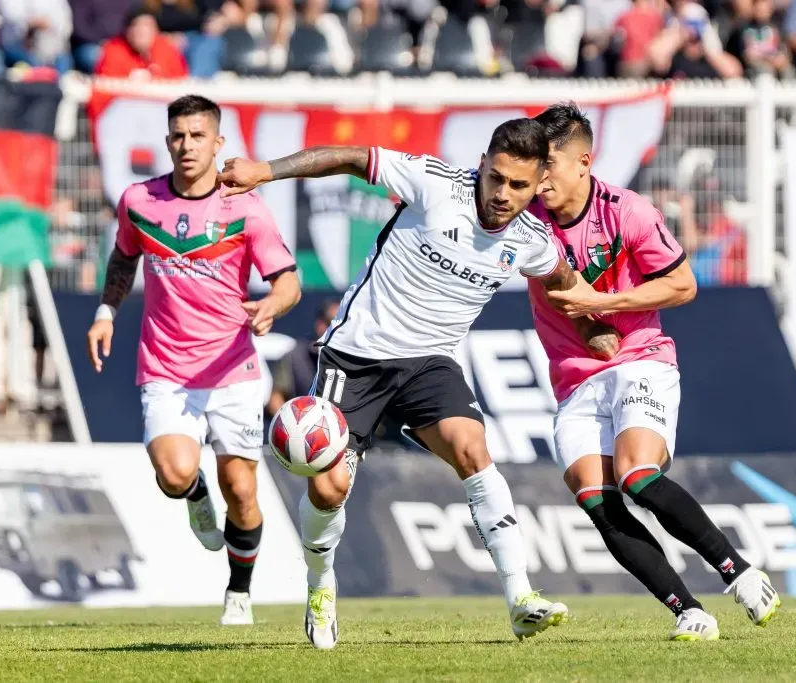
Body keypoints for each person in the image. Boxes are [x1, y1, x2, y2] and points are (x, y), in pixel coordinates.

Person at [218, 119, 589, 650]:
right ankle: (321, 586)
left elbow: (566, 281)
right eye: (497, 178)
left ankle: (520, 598)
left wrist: (602, 323)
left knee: (472, 448)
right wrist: (265, 172)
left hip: (429, 364)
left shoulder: (531, 241)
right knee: (329, 488)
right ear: (483, 163)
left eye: (519, 186)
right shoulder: (435, 184)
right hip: (358, 358)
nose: (503, 194)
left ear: (537, 185)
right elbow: (348, 157)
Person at [529, 102, 781, 641]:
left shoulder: (627, 211)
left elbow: (683, 284)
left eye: (549, 163)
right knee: (594, 497)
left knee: (637, 475)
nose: (540, 177)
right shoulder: (527, 221)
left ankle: (737, 572)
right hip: (574, 379)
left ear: (583, 162)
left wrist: (606, 302)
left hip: (641, 358)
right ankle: (689, 611)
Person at [85, 95, 301, 626]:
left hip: (233, 370)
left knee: (244, 490)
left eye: (198, 136)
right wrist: (106, 312)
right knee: (174, 473)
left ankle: (240, 591)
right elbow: (123, 255)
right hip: (166, 368)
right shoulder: (139, 200)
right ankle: (193, 492)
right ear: (166, 142)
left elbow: (288, 281)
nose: (187, 145)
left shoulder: (245, 207)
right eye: (178, 136)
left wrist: (273, 304)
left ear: (218, 143)